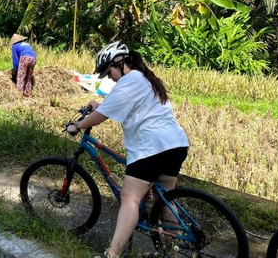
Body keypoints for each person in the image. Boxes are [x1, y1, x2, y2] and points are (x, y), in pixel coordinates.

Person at [66, 42, 189, 258]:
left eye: (109, 72)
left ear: (120, 63)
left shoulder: (130, 79)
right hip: (175, 145)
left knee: (130, 197)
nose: (110, 78)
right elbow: (113, 106)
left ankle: (112, 254)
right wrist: (98, 106)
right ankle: (171, 253)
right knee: (166, 200)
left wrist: (77, 126)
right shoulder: (145, 79)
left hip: (152, 147)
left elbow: (103, 115)